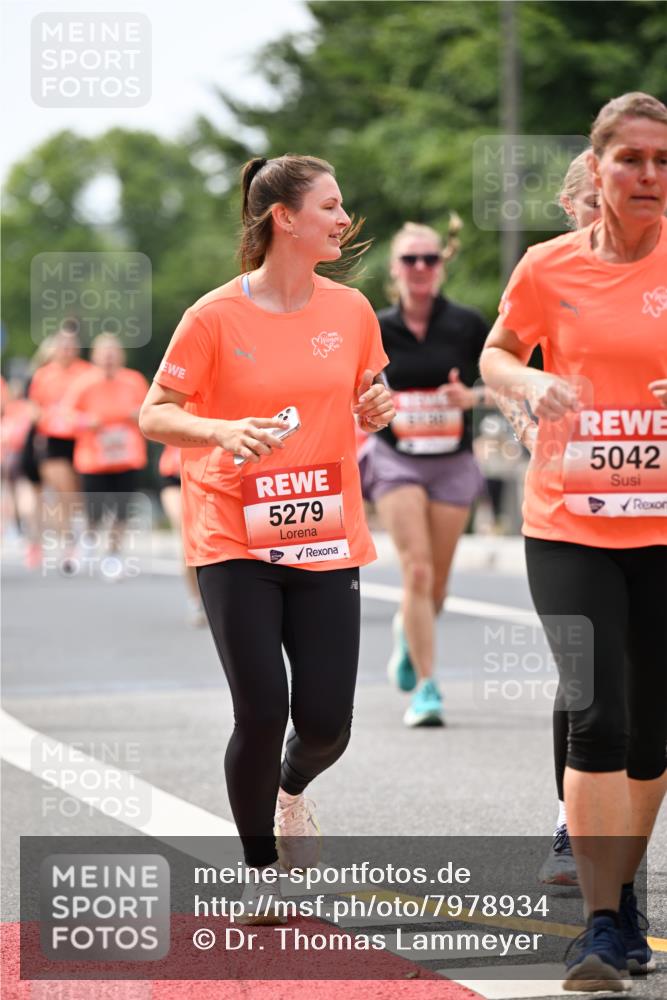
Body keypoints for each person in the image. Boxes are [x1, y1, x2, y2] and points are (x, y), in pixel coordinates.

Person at [139, 154, 394, 918]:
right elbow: (154, 413)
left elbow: (366, 390)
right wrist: (219, 429)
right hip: (232, 533)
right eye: (330, 206)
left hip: (322, 533)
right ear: (285, 218)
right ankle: (258, 871)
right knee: (260, 710)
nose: (344, 219)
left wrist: (375, 406)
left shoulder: (351, 310)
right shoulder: (213, 316)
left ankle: (291, 791)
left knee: (325, 726)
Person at [480, 92, 667, 991]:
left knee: (652, 729)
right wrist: (525, 383)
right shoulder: (546, 266)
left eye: (662, 161)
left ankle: (622, 899)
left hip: (661, 526)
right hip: (568, 521)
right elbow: (495, 352)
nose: (648, 175)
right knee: (596, 712)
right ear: (595, 168)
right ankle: (596, 925)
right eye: (630, 158)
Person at [363, 220, 488, 727]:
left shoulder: (467, 324)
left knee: (436, 584)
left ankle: (407, 632)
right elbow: (349, 386)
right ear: (395, 268)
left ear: (442, 265)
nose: (420, 267)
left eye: (430, 259)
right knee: (415, 570)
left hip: (453, 463)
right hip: (396, 459)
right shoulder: (375, 327)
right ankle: (428, 688)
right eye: (410, 259)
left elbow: (503, 379)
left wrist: (472, 397)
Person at [67, 333, 149, 578]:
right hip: (94, 459)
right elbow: (66, 414)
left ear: (121, 356)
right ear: (95, 356)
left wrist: (139, 414)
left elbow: (152, 410)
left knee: (122, 510)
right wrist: (86, 421)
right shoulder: (83, 383)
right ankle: (88, 543)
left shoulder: (134, 381)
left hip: (127, 457)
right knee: (95, 510)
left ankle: (113, 553)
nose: (109, 358)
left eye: (113, 353)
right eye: (104, 354)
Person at [27, 328, 93, 561]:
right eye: (62, 345)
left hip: (81, 438)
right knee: (63, 489)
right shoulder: (44, 375)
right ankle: (69, 540)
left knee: (78, 490)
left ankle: (81, 533)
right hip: (53, 438)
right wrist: (44, 416)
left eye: (71, 345)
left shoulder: (86, 372)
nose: (67, 349)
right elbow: (33, 406)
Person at [158, 443, 206, 626]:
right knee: (186, 534)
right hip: (174, 476)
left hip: (206, 475)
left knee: (204, 537)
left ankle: (212, 595)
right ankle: (196, 601)